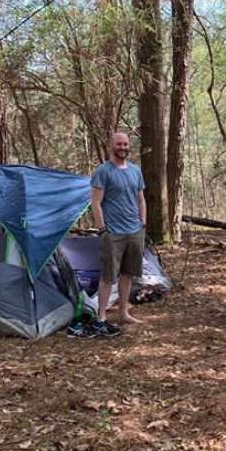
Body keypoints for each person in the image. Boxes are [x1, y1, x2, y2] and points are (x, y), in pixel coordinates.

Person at [89, 132, 147, 336]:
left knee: (128, 273)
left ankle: (124, 312)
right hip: (113, 232)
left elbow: (140, 199)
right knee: (108, 276)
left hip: (134, 230)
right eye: (118, 144)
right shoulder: (103, 172)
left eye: (125, 144)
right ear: (111, 146)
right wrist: (102, 228)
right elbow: (95, 202)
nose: (122, 147)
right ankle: (101, 317)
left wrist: (143, 223)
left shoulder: (135, 171)